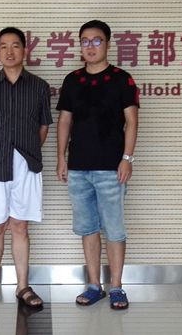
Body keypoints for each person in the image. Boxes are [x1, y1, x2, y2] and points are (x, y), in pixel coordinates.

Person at [56, 19, 139, 310]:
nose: (90, 46)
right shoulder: (72, 80)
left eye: (96, 40)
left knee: (114, 229)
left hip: (111, 168)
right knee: (88, 228)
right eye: (85, 41)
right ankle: (94, 285)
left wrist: (127, 159)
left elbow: (131, 121)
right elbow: (64, 121)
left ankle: (116, 287)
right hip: (78, 168)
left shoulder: (121, 79)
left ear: (107, 44)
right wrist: (61, 157)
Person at [0, 27, 52, 310]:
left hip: (27, 164)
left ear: (25, 50)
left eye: (15, 45)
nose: (9, 51)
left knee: (20, 226)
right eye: (3, 46)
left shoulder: (39, 86)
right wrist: (0, 146)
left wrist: (25, 150)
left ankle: (22, 286)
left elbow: (43, 126)